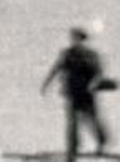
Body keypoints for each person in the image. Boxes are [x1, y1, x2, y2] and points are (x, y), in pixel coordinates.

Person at [42, 27, 111, 161]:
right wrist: (47, 84)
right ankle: (72, 151)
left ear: (83, 40)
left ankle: (101, 141)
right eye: (74, 38)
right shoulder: (66, 54)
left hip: (87, 93)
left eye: (78, 39)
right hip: (72, 92)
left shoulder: (91, 54)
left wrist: (94, 83)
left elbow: (99, 71)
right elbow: (56, 68)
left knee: (92, 120)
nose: (75, 41)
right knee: (72, 123)